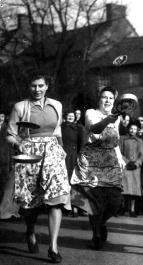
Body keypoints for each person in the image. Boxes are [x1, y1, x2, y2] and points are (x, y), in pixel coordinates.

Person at [5, 72, 71, 263]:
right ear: (29, 87)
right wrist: (19, 145)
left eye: (41, 86)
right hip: (29, 154)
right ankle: (31, 230)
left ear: (47, 86)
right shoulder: (20, 107)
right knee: (30, 202)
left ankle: (53, 247)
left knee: (56, 198)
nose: (37, 90)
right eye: (34, 86)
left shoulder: (56, 105)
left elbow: (57, 132)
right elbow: (10, 134)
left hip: (52, 153)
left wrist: (61, 151)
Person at [70, 86, 125, 250]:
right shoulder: (91, 113)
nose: (107, 100)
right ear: (98, 100)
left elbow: (115, 141)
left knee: (115, 201)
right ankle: (97, 235)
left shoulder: (117, 118)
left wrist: (120, 159)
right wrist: (108, 120)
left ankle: (100, 224)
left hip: (110, 161)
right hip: (92, 161)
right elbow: (95, 129)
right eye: (104, 97)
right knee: (94, 201)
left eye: (110, 98)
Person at [61, 111, 85, 217]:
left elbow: (82, 143)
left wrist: (80, 156)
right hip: (62, 156)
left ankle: (76, 208)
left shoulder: (78, 128)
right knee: (63, 181)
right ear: (65, 116)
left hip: (74, 157)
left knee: (74, 182)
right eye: (68, 115)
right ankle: (65, 207)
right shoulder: (60, 127)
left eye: (72, 115)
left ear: (75, 117)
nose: (70, 116)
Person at [119, 119, 143, 217]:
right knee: (125, 189)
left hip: (135, 168)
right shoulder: (122, 139)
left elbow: (141, 155)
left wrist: (137, 164)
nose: (132, 130)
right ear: (128, 129)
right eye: (131, 128)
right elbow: (120, 152)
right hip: (126, 167)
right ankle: (123, 208)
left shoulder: (140, 141)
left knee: (133, 191)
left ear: (137, 130)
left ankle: (132, 209)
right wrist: (126, 162)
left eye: (134, 129)